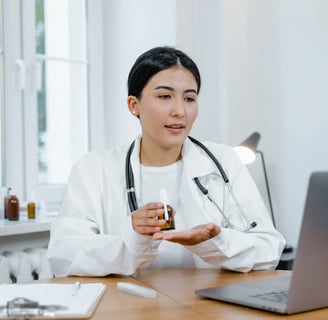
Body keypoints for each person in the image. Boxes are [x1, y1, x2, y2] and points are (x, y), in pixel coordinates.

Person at [47, 46, 285, 277]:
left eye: (189, 98)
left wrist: (215, 241)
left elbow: (269, 249)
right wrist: (133, 239)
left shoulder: (222, 161)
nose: (180, 111)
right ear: (134, 105)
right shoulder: (94, 169)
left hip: (208, 307)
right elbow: (63, 256)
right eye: (164, 96)